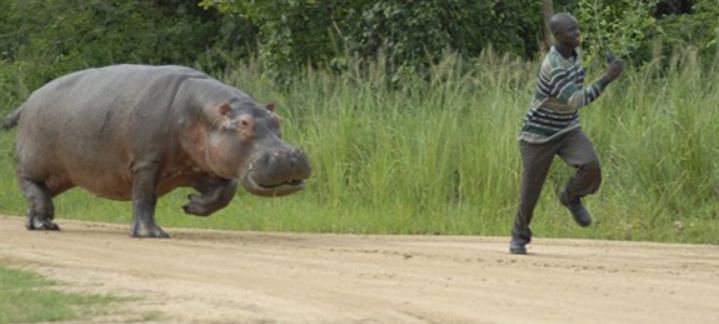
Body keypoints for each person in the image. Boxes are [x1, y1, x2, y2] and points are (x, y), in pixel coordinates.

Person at [509, 12, 624, 255]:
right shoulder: (553, 65)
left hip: (567, 127)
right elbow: (576, 99)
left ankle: (571, 196)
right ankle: (519, 236)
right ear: (558, 36)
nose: (577, 33)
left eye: (577, 28)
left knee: (591, 165)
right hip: (538, 134)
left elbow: (574, 97)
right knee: (531, 190)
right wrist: (607, 78)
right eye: (572, 31)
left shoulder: (574, 53)